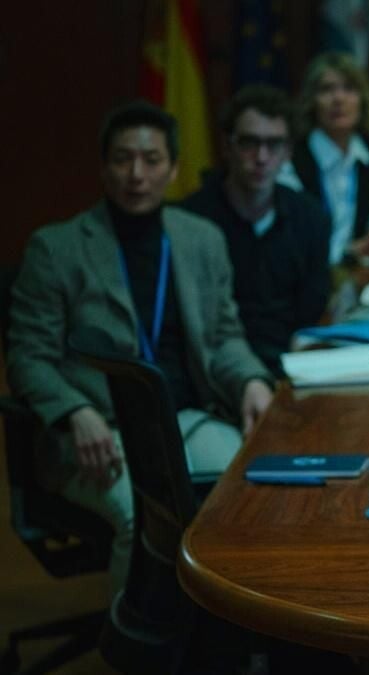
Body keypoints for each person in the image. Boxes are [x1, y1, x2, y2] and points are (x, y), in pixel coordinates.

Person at [6, 101, 274, 595]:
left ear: (172, 169)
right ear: (103, 167)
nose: (136, 174)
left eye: (151, 160)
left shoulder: (201, 239)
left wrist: (252, 381)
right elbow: (28, 356)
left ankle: (228, 633)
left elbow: (223, 338)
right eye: (122, 159)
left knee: (253, 496)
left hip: (187, 419)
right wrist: (75, 411)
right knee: (147, 520)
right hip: (100, 433)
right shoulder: (56, 248)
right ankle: (135, 636)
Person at [181, 85, 332, 377]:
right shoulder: (191, 221)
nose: (261, 157)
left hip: (294, 365)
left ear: (288, 152)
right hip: (216, 369)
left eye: (274, 144)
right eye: (249, 143)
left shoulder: (311, 217)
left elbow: (312, 312)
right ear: (227, 147)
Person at [277, 51, 369, 264]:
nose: (338, 99)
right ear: (312, 101)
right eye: (326, 89)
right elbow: (294, 244)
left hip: (364, 270)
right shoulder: (290, 156)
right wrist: (351, 252)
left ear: (362, 99)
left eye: (349, 88)